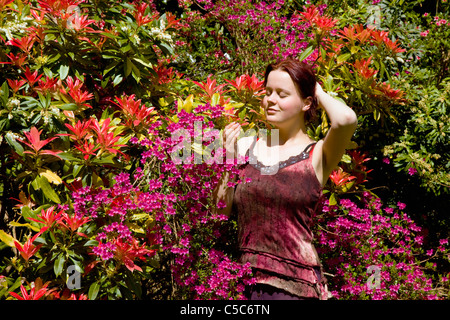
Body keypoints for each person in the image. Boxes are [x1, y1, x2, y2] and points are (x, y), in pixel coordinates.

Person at [213, 57, 358, 300]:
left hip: (295, 290)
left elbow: (345, 120)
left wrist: (316, 90)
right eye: (268, 92)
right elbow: (219, 214)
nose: (270, 100)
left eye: (282, 94)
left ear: (306, 103)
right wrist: (227, 158)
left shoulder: (317, 154)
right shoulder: (247, 146)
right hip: (245, 285)